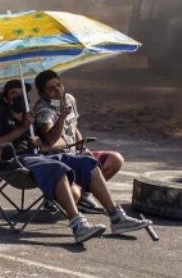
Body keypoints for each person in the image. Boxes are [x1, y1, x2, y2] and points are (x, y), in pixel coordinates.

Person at [0, 79, 149, 244]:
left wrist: (36, 139)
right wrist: (22, 128)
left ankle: (117, 218)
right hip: (13, 160)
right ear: (6, 99)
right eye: (14, 94)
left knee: (87, 162)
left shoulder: (28, 115)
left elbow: (46, 142)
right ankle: (78, 225)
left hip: (37, 156)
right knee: (57, 167)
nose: (19, 97)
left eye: (22, 94)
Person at [32, 69, 125, 214]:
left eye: (59, 85)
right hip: (60, 159)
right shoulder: (43, 110)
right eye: (51, 88)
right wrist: (61, 117)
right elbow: (50, 141)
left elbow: (74, 128)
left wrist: (83, 147)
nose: (57, 90)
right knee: (74, 194)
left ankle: (85, 196)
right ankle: (65, 196)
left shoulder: (69, 99)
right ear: (42, 93)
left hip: (76, 153)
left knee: (114, 159)